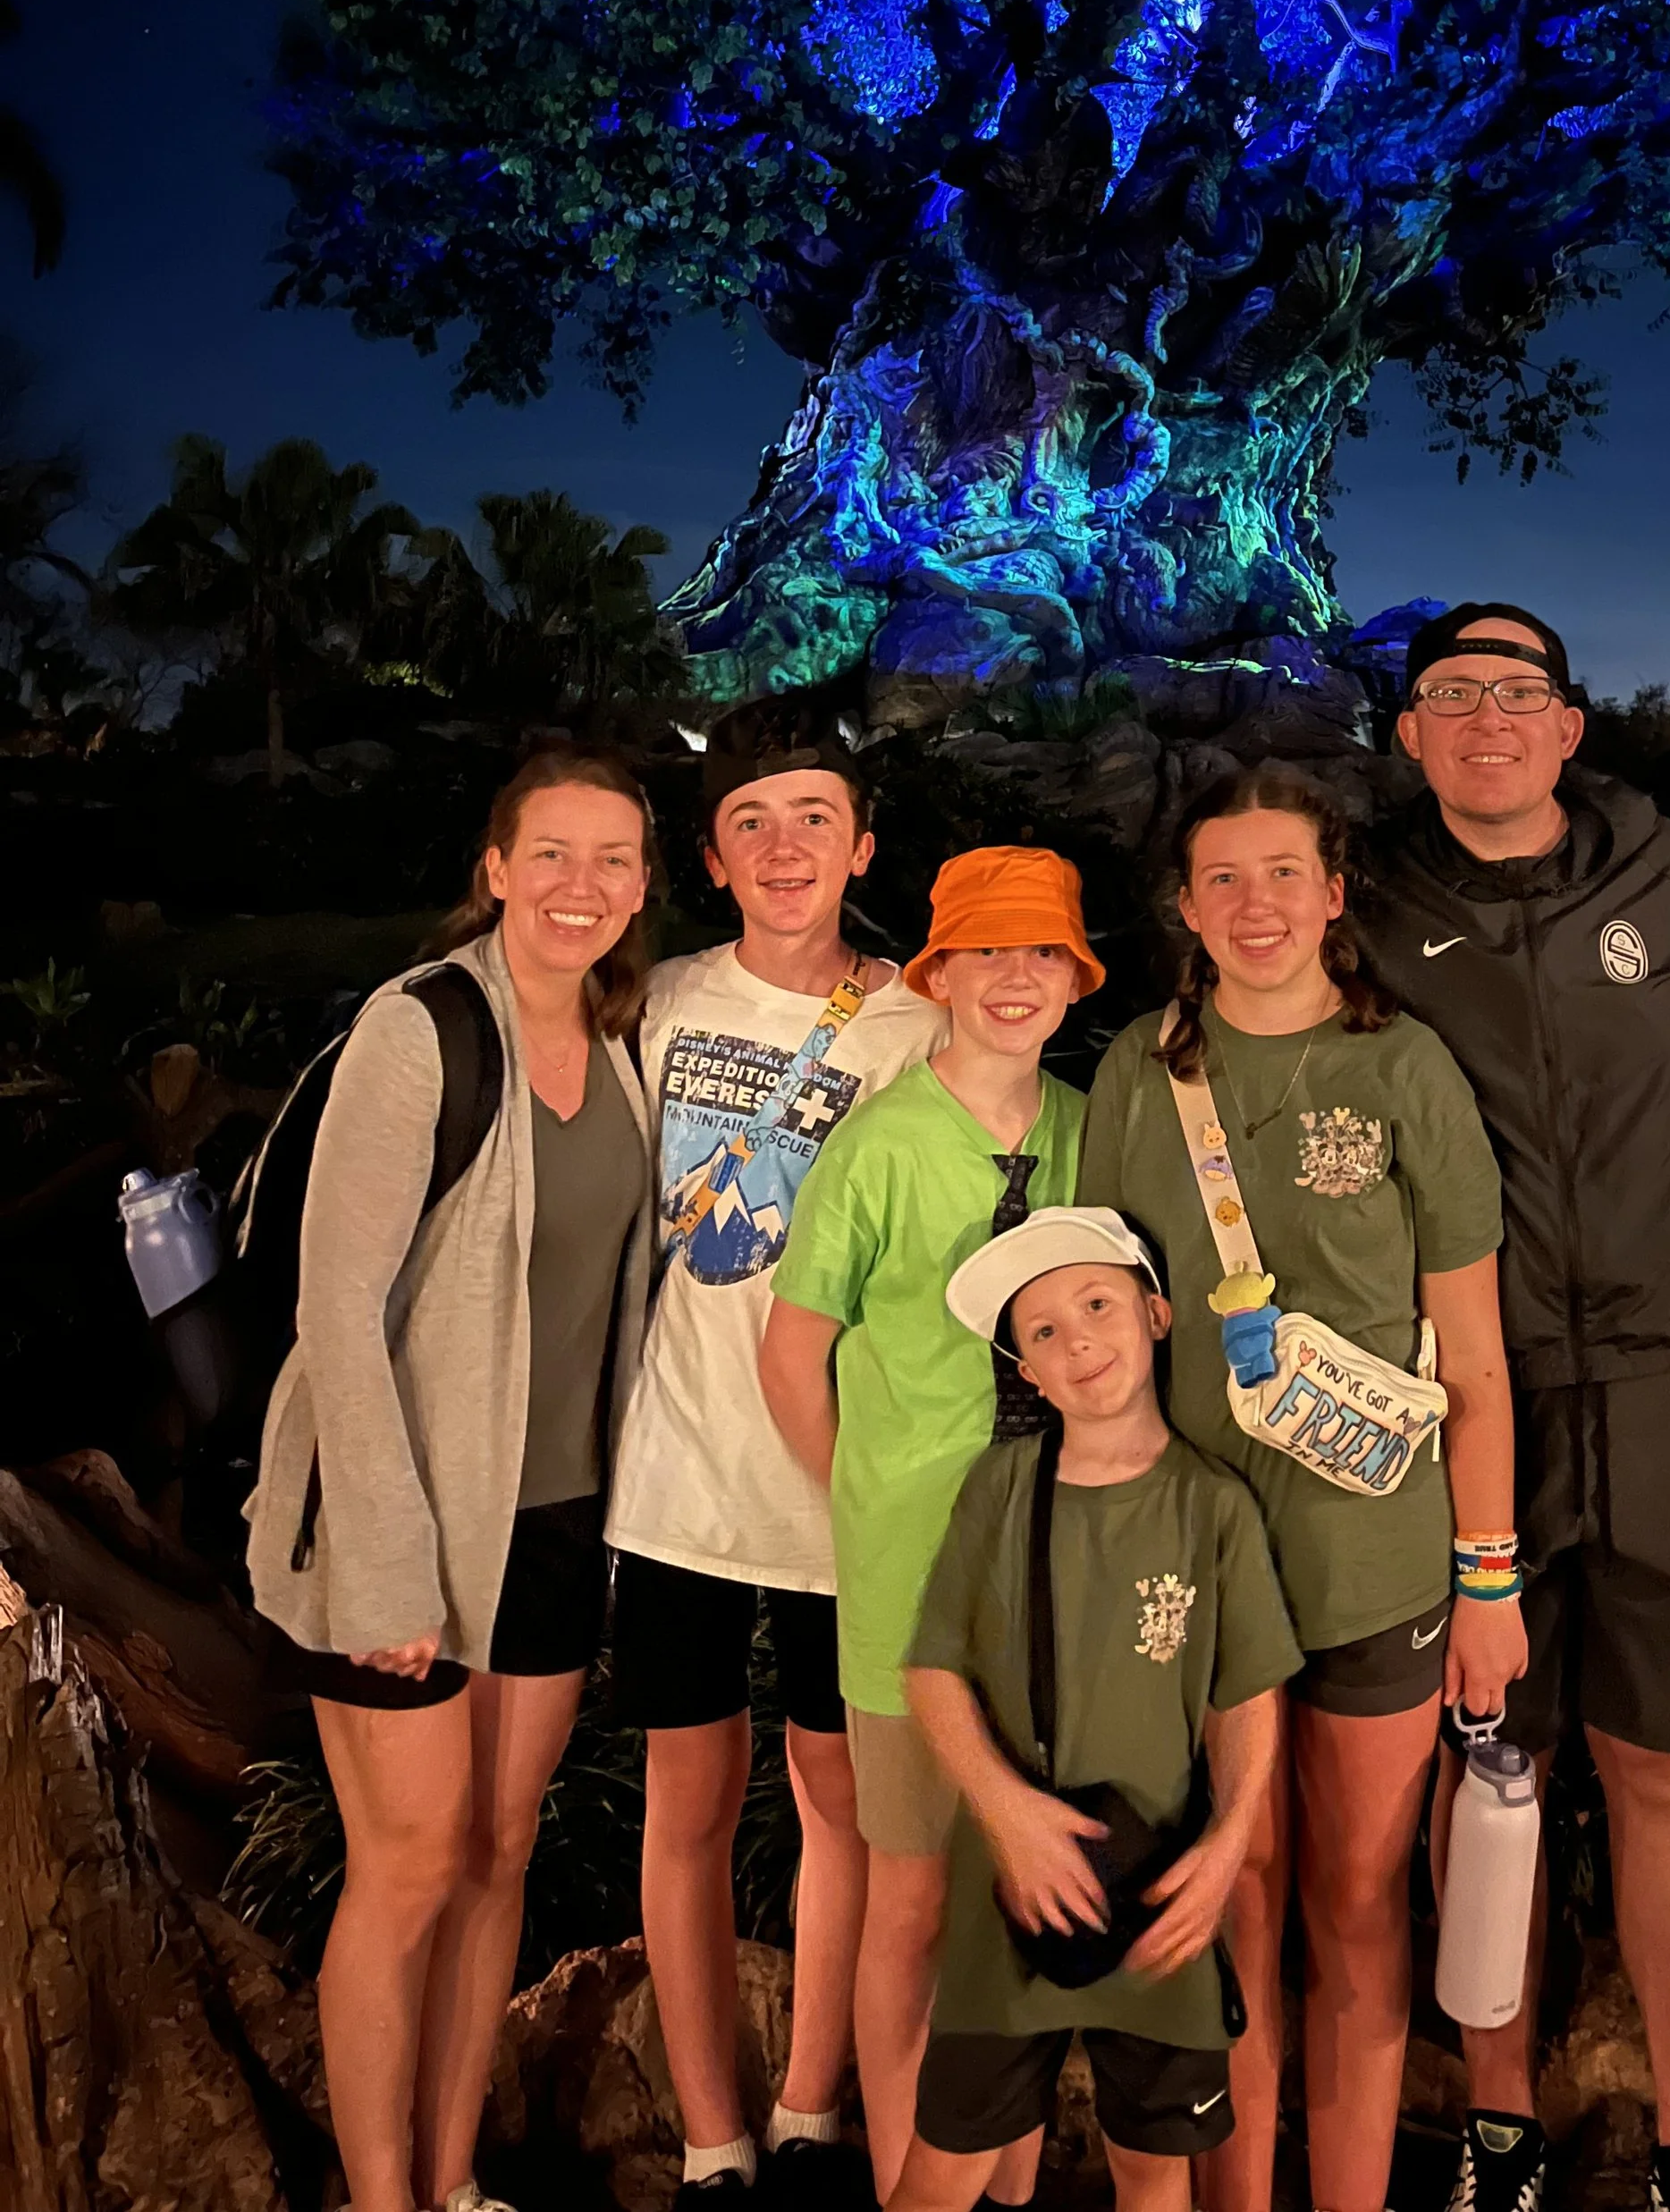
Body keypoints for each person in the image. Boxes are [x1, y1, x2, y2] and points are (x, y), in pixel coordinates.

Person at [1354, 604, 1670, 2212]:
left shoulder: (1665, 875)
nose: (1483, 719)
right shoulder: (1376, 908)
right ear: (1412, 735)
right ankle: (1500, 2129)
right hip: (1483, 1393)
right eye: (1450, 695)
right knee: (1496, 1767)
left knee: (1666, 1771)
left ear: (1568, 724)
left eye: (1513, 693)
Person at [1077, 763, 1526, 2212]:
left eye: (1285, 872)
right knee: (1238, 1903)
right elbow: (1096, 1319)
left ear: (1336, 893)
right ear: (1186, 907)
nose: (1255, 904)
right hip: (1196, 1580)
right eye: (1223, 877)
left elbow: (1476, 1358)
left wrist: (1488, 1575)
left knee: (1353, 1910)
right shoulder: (1141, 1074)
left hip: (1373, 1567)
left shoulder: (1410, 1073)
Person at [246, 749, 660, 2212]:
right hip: (403, 1514)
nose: (581, 885)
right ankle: (378, 2199)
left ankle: (451, 2172)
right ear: (494, 866)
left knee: (497, 1848)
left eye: (613, 858)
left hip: (549, 1518)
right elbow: (337, 1308)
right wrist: (387, 1561)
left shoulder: (616, 1046)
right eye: (550, 852)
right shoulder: (418, 1029)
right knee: (410, 1860)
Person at [604, 727, 943, 2208]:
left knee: (839, 1790)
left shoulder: (914, 1024)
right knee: (684, 1795)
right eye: (754, 820)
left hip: (842, 1483)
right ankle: (710, 2133)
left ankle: (810, 2105)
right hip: (674, 1473)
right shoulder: (660, 1003)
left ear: (863, 845)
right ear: (713, 855)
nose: (788, 844)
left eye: (817, 816)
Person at [761, 846, 1102, 2201]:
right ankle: (910, 2172)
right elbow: (794, 1353)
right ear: (940, 974)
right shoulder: (882, 1141)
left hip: (1060, 1582)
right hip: (913, 1585)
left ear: (1075, 978)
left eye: (1043, 954)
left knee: (1022, 1900)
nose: (1013, 979)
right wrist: (871, 1501)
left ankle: (1004, 2178)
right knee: (908, 1893)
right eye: (987, 952)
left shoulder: (1087, 1126)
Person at [890, 1205, 1300, 2212]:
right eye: (1042, 1331)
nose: (1076, 1340)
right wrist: (1006, 1812)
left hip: (1158, 1891)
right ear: (1027, 1373)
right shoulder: (999, 1491)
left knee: (1155, 2173)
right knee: (942, 2169)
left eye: (1097, 1304)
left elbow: (1246, 1699)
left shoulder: (1215, 1509)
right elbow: (931, 1668)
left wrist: (1229, 1845)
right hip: (1013, 1897)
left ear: (1157, 1316)